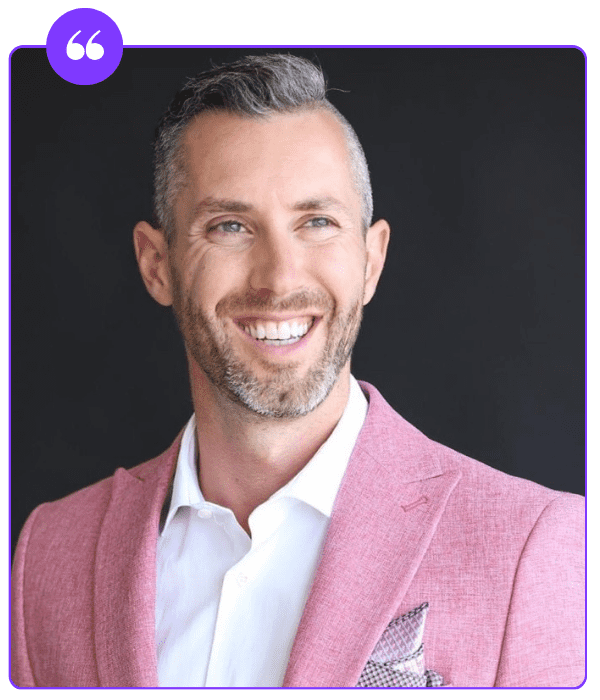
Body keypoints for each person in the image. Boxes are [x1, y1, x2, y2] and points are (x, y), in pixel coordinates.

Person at [11, 54, 584, 689]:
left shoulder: (532, 546)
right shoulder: (50, 555)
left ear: (370, 261)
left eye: (316, 222)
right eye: (230, 226)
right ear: (157, 264)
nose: (280, 278)